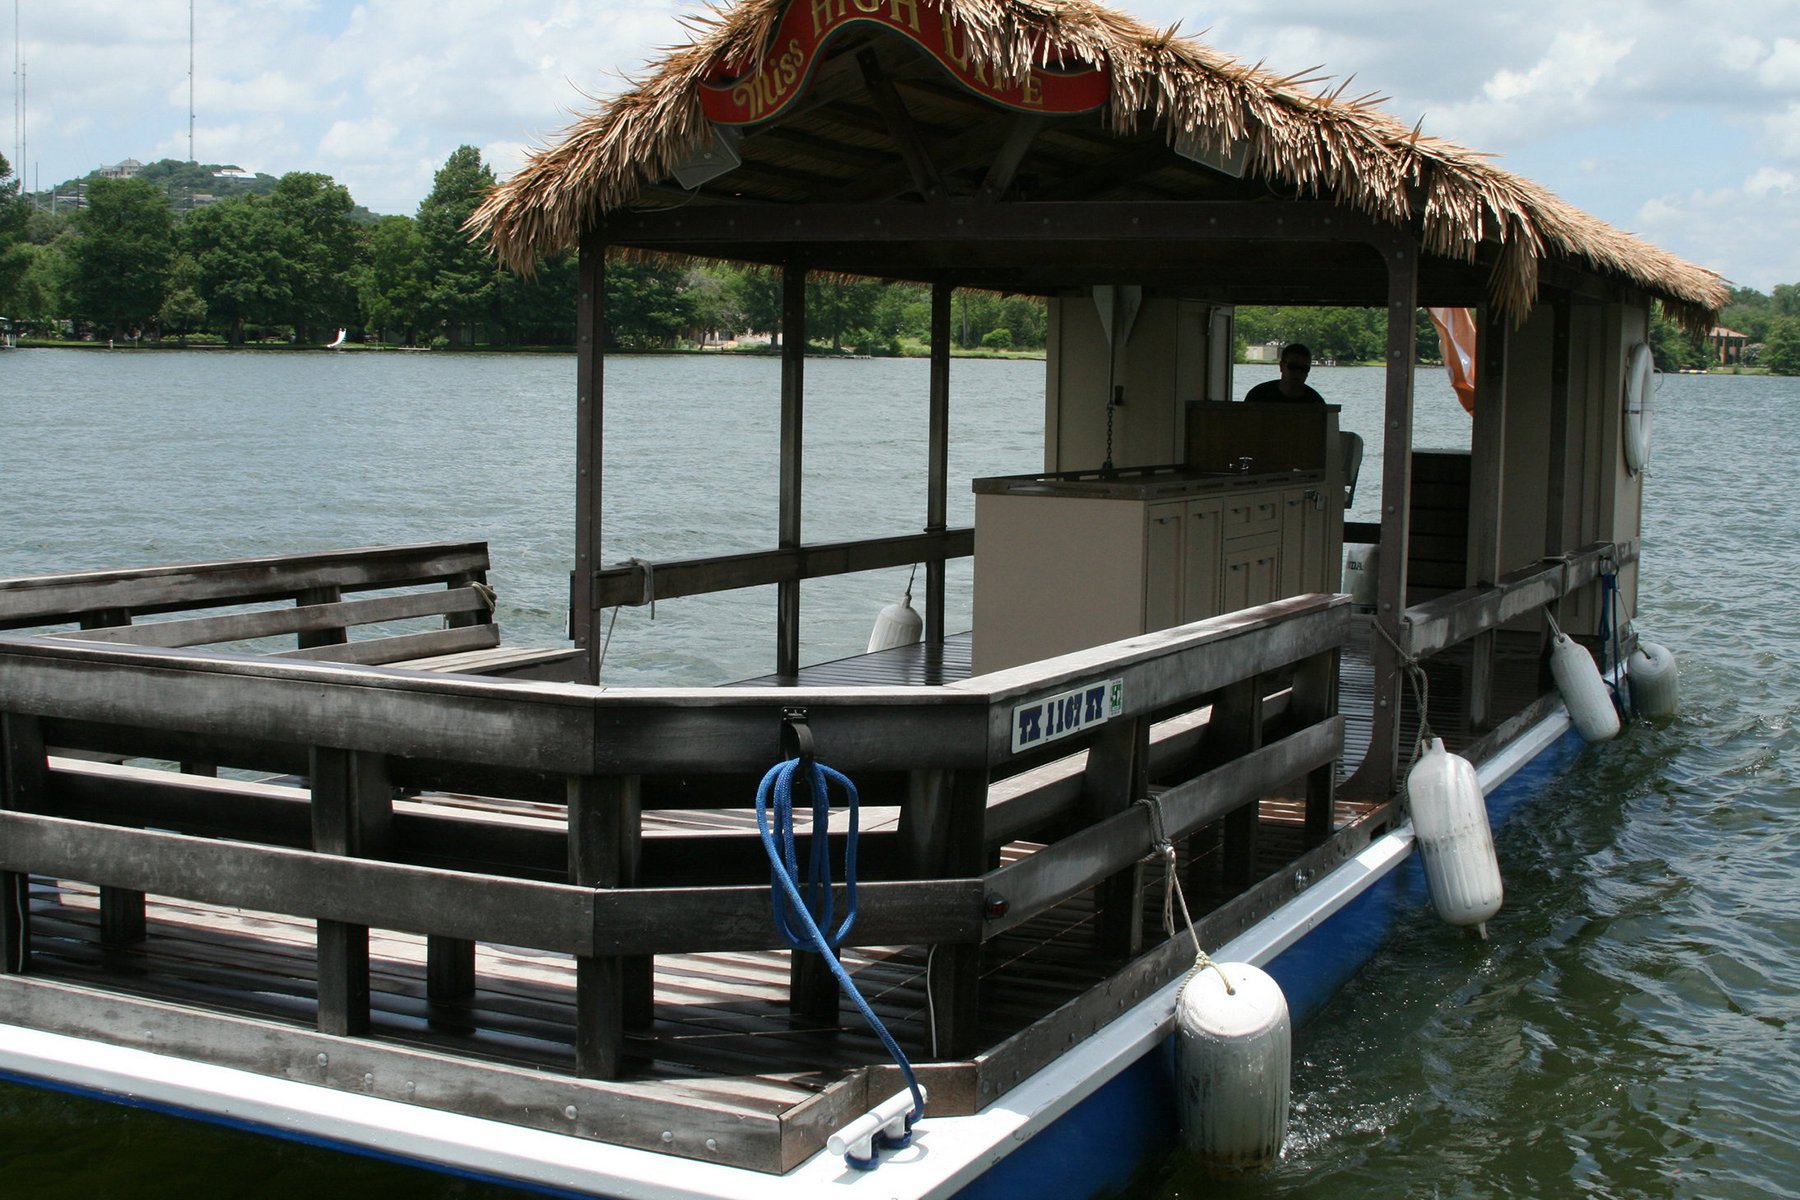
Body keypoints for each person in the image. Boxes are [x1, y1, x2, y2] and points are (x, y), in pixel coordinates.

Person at [1245, 343, 1325, 403]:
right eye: (1293, 366)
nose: (1298, 372)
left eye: (1304, 369)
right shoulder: (1258, 395)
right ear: (1281, 366)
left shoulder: (1315, 401)